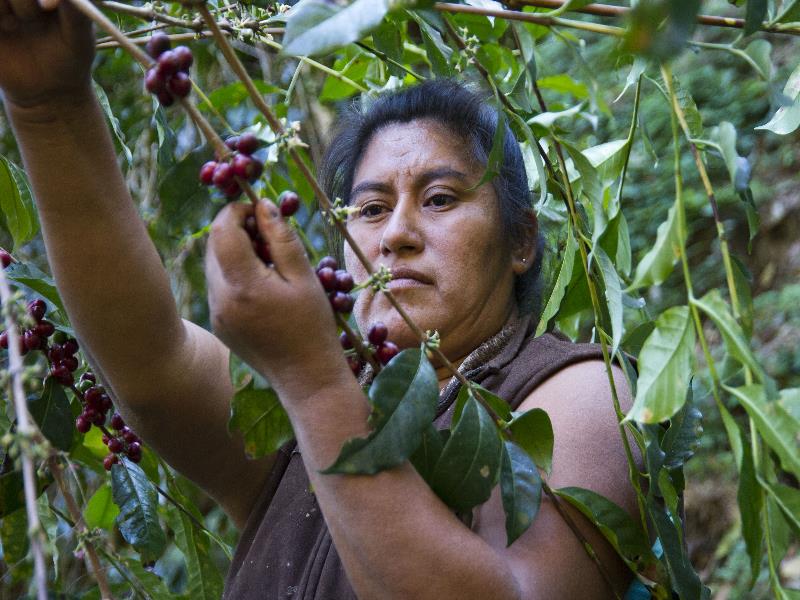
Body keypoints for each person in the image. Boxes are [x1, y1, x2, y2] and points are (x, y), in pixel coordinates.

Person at [0, 1, 640, 598]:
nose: (396, 235)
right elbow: (150, 363)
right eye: (370, 208)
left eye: (440, 198)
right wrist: (47, 103)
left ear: (521, 241)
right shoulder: (298, 419)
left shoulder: (576, 390)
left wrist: (313, 380)